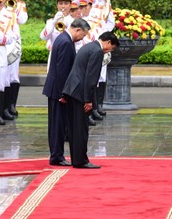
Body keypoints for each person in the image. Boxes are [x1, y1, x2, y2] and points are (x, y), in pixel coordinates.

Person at [62, 31, 119, 169]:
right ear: (108, 43)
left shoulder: (88, 47)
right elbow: (91, 77)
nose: (108, 51)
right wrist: (88, 100)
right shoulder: (97, 51)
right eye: (111, 48)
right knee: (81, 128)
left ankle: (77, 159)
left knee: (74, 128)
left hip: (72, 90)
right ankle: (81, 160)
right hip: (80, 93)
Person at [42, 18, 90, 166]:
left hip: (56, 90)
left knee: (58, 124)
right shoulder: (65, 43)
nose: (82, 38)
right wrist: (64, 94)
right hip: (58, 91)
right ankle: (56, 156)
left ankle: (57, 155)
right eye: (83, 35)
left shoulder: (62, 38)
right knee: (58, 125)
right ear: (77, 30)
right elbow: (62, 71)